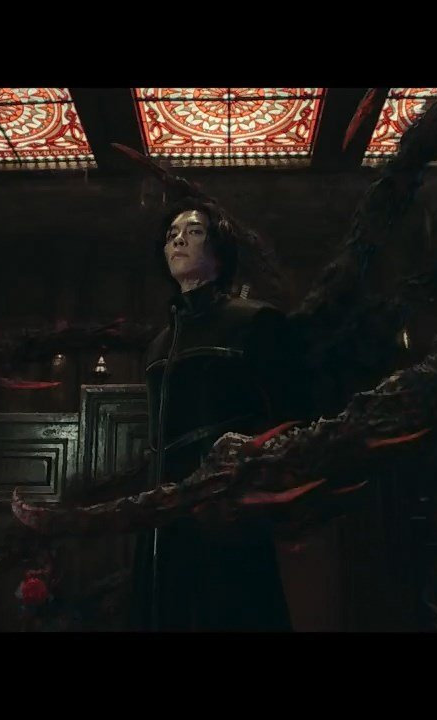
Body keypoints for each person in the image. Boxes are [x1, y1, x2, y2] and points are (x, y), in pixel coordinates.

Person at [131, 198, 310, 631]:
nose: (178, 240)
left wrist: (259, 490)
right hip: (162, 517)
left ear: (220, 250)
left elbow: (295, 416)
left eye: (193, 231)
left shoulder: (256, 322)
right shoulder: (158, 344)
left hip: (228, 512)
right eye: (172, 234)